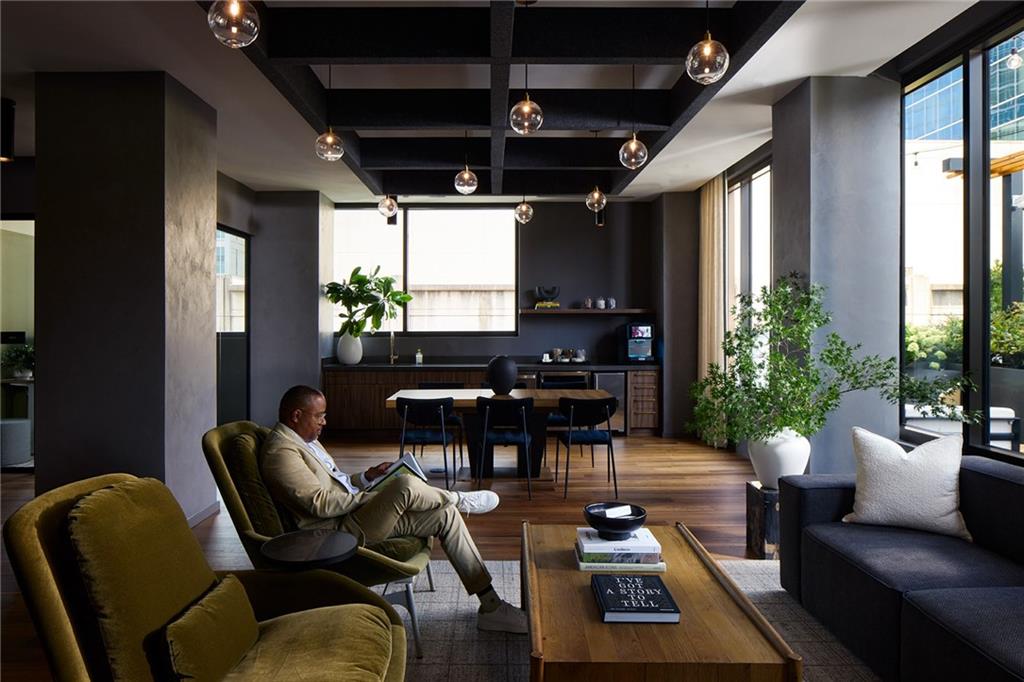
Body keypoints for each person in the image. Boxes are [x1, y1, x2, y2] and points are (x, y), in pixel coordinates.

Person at [260, 384, 527, 633]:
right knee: (403, 485)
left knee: (444, 514)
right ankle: (459, 498)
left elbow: (336, 483)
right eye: (320, 416)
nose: (324, 422)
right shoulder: (281, 452)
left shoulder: (305, 441)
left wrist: (367, 477)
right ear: (296, 415)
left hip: (353, 515)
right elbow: (318, 503)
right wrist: (374, 497)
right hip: (334, 532)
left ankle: (491, 605)